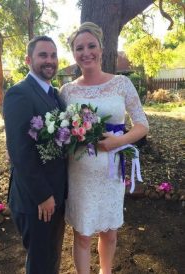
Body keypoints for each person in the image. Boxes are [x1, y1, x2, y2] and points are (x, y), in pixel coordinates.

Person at [60, 22, 149, 274]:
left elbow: (142, 124)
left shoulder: (121, 84)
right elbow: (60, 131)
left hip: (112, 173)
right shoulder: (66, 91)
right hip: (79, 174)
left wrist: (118, 142)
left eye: (91, 46)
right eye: (79, 48)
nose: (86, 52)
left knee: (109, 233)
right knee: (82, 236)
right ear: (74, 53)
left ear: (101, 48)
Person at [3, 35, 67, 274]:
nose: (49, 60)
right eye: (43, 55)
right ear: (29, 59)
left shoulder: (55, 94)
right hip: (36, 201)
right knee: (40, 264)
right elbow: (19, 152)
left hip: (56, 196)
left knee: (51, 258)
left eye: (53, 55)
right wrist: (43, 196)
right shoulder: (19, 94)